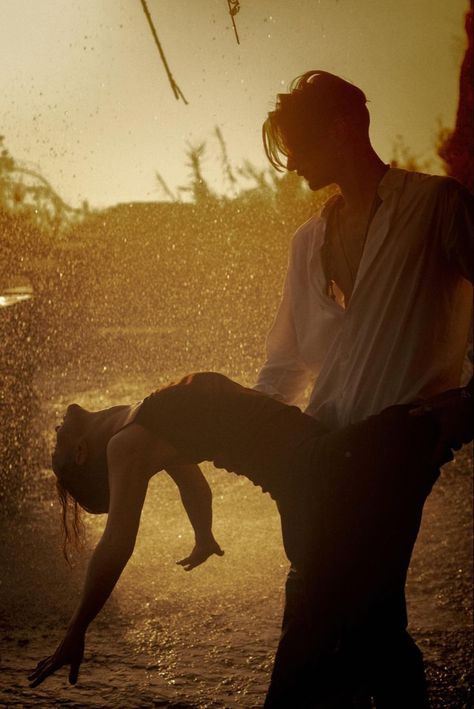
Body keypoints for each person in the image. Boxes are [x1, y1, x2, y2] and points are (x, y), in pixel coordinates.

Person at [27, 372, 472, 707]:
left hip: (310, 481)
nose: (54, 438)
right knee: (358, 638)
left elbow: (194, 487)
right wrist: (76, 629)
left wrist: (203, 535)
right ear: (82, 453)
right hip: (314, 472)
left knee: (371, 633)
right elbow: (117, 543)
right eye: (57, 451)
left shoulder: (143, 426)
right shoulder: (127, 445)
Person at [254, 70, 473, 706]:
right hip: (322, 452)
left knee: (319, 598)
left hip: (401, 446)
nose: (290, 162)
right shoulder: (307, 242)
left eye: (298, 142)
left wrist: (468, 404)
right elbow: (286, 364)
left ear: (346, 127)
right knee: (370, 617)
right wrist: (242, 431)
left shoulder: (437, 206)